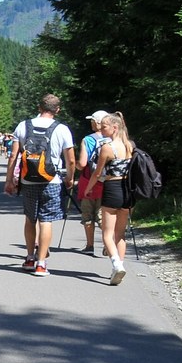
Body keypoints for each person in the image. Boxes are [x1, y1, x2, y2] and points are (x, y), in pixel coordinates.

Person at [4, 94, 76, 277]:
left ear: (39, 107)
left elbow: (13, 156)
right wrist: (69, 178)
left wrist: (9, 180)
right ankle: (41, 264)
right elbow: (71, 160)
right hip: (51, 180)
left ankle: (29, 258)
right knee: (46, 220)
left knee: (30, 218)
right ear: (57, 109)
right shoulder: (62, 129)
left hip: (28, 180)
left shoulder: (23, 125)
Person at [82, 112, 134, 285]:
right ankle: (119, 266)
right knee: (120, 234)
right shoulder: (130, 145)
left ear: (115, 127)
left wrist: (87, 190)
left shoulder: (107, 148)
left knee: (107, 234)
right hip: (127, 190)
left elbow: (97, 173)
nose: (101, 129)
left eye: (104, 126)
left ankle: (117, 265)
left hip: (112, 189)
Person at [75, 110, 109, 256]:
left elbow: (82, 164)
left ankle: (90, 245)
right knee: (103, 215)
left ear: (97, 122)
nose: (91, 123)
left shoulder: (88, 139)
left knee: (88, 215)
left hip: (88, 180)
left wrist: (75, 166)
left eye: (92, 120)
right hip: (107, 182)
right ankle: (109, 243)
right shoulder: (113, 139)